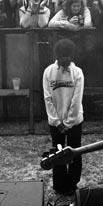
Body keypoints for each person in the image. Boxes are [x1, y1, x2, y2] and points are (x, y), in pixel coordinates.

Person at [42, 38, 85, 197]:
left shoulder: (77, 72)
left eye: (68, 56)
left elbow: (77, 99)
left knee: (75, 152)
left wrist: (68, 122)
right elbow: (47, 98)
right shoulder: (48, 72)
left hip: (74, 121)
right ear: (57, 55)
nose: (65, 59)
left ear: (72, 55)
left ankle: (72, 184)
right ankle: (59, 185)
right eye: (62, 56)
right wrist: (56, 121)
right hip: (56, 123)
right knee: (57, 152)